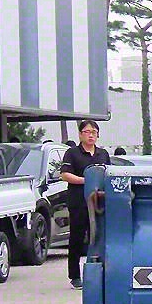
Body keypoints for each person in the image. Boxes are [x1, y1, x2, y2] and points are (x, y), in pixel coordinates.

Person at [60, 119, 110, 289]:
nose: (91, 135)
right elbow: (65, 174)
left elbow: (109, 174)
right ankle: (75, 275)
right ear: (80, 134)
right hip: (79, 202)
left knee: (99, 237)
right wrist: (86, 180)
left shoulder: (103, 154)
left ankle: (101, 273)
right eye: (87, 132)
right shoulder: (72, 153)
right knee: (77, 238)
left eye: (94, 132)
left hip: (99, 203)